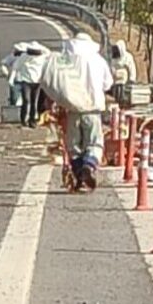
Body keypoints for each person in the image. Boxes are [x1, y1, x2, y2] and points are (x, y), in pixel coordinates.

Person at [61, 33, 113, 191]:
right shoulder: (99, 61)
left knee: (74, 146)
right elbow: (107, 84)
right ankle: (88, 167)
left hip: (73, 109)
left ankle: (79, 174)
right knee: (94, 143)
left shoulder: (67, 61)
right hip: (92, 109)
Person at [14, 42, 48, 127]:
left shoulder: (42, 58)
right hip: (26, 81)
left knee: (34, 102)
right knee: (26, 100)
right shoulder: (24, 57)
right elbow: (16, 66)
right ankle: (23, 119)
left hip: (37, 82)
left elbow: (48, 53)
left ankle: (32, 120)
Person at [1, 42, 27, 107]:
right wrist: (6, 73)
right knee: (14, 99)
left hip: (27, 82)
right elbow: (3, 63)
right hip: (16, 81)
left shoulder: (28, 58)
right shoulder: (13, 56)